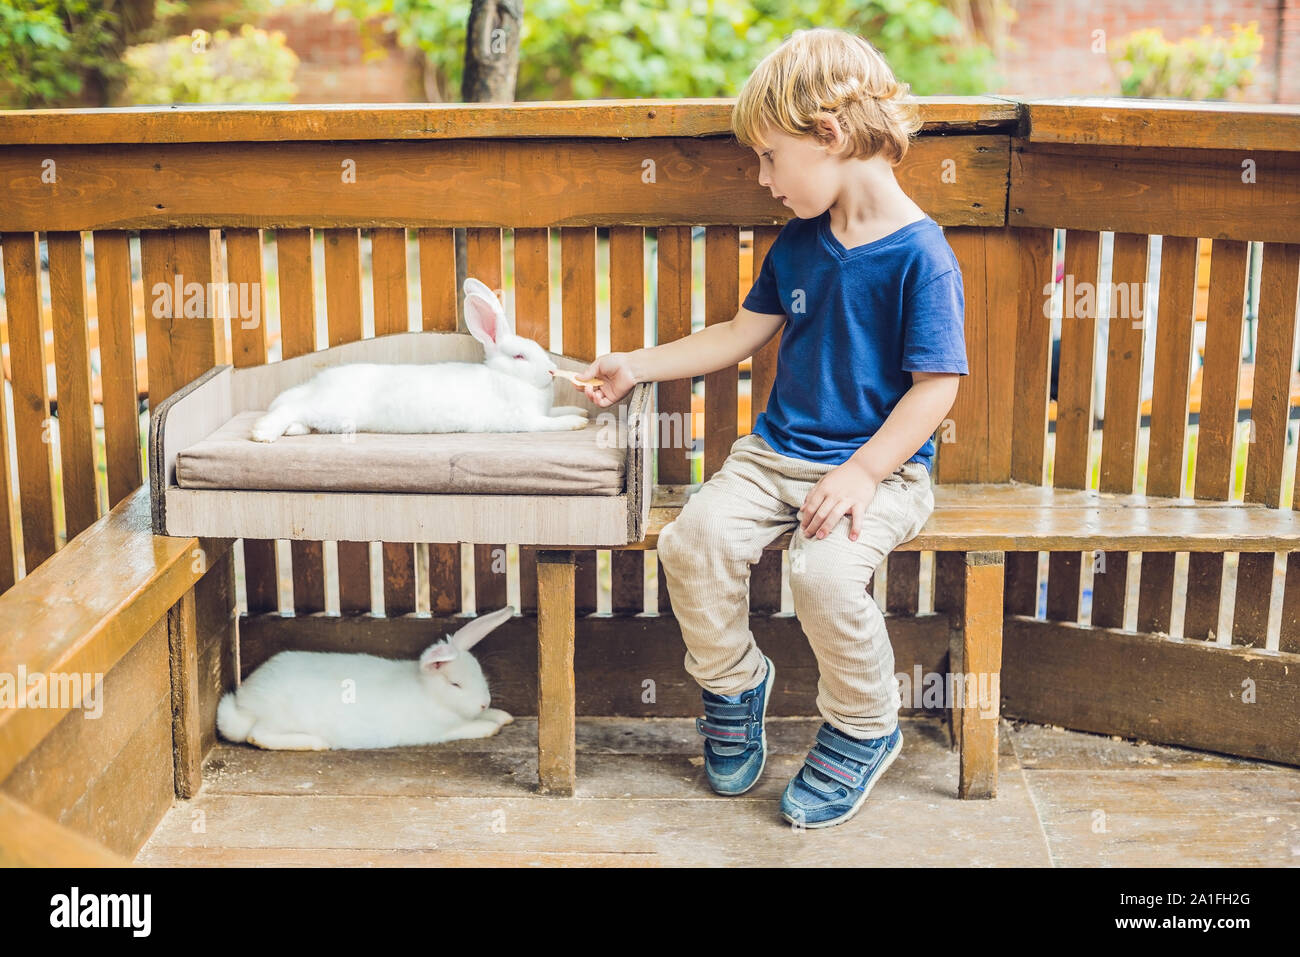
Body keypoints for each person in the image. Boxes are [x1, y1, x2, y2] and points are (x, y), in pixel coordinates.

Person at [577, 27, 969, 828]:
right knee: (694, 541)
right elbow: (736, 334)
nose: (760, 178)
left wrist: (860, 473)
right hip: (773, 457)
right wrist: (636, 365)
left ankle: (864, 725)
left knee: (821, 574)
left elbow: (937, 387)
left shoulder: (921, 257)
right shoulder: (798, 245)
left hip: (880, 472)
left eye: (767, 155)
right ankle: (732, 680)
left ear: (827, 135)